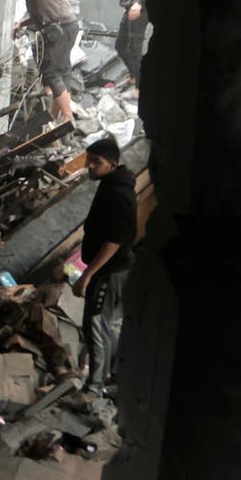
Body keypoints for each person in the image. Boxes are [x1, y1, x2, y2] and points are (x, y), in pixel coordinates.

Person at [75, 134, 138, 392]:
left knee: (96, 324)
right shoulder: (111, 183)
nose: (90, 165)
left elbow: (114, 240)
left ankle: (95, 386)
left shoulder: (118, 193)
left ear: (111, 164)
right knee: (102, 323)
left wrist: (87, 275)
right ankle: (110, 375)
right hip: (112, 270)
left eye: (96, 161)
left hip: (109, 272)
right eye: (89, 159)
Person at [17, 0, 80, 129]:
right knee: (63, 71)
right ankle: (54, 115)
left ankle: (68, 117)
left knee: (51, 73)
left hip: (60, 29)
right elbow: (43, 6)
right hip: (68, 25)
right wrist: (21, 23)